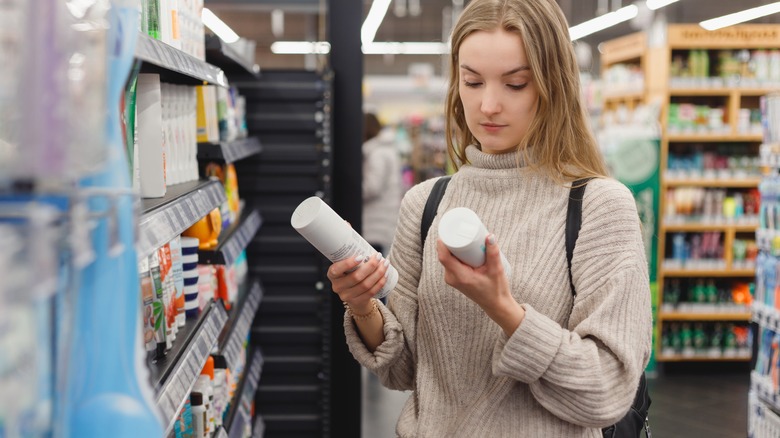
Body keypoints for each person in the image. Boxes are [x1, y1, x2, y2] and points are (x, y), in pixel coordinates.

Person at [327, 0, 652, 436]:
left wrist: (503, 309)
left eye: (516, 84)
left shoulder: (598, 206)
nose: (489, 105)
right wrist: (363, 303)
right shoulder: (425, 204)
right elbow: (402, 372)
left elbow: (607, 390)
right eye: (473, 81)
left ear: (553, 85)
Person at [362, 112, 403, 256]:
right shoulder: (385, 150)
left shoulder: (377, 154)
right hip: (383, 220)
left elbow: (372, 186)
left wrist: (350, 190)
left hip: (375, 223)